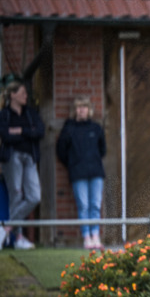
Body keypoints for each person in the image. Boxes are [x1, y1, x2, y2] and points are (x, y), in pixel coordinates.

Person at [57, 96, 106, 249]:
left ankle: (95, 236)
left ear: (89, 110)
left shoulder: (96, 128)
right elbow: (61, 151)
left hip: (96, 172)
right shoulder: (69, 129)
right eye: (78, 107)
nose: (81, 110)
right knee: (83, 205)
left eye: (84, 107)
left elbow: (102, 149)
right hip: (78, 173)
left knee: (95, 205)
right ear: (74, 110)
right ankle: (87, 237)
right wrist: (72, 164)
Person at [0, 80, 44, 249]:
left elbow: (39, 132)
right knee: (16, 196)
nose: (26, 96)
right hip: (13, 158)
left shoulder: (31, 114)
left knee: (34, 196)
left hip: (30, 158)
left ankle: (5, 228)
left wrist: (19, 131)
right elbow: (6, 136)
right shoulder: (4, 115)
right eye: (23, 93)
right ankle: (18, 238)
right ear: (13, 95)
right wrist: (27, 133)